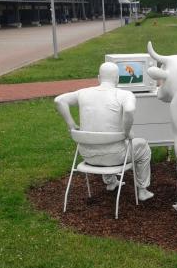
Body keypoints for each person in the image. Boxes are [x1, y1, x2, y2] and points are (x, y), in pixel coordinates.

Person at [54, 62, 154, 201]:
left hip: (87, 156)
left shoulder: (83, 93)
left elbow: (59, 100)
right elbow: (130, 110)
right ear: (117, 78)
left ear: (99, 78)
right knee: (143, 146)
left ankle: (111, 183)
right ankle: (142, 190)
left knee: (103, 138)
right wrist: (126, 132)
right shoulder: (125, 94)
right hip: (115, 156)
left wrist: (71, 124)